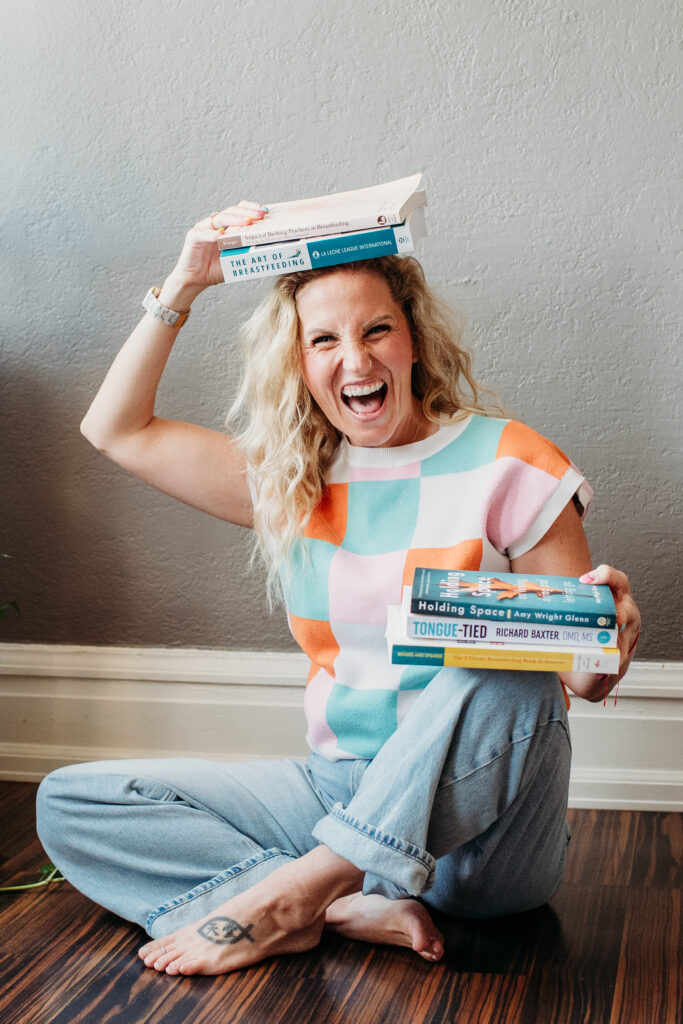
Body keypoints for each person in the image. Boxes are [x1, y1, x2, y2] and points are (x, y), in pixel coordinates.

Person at [36, 201, 641, 977]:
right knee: (73, 800)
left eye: (375, 330)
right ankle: (341, 897)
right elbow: (115, 428)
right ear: (299, 362)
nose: (354, 360)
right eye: (323, 340)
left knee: (508, 655)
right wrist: (185, 281)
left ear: (413, 341)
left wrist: (606, 631)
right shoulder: (291, 477)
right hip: (338, 789)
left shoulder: (512, 462)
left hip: (482, 840)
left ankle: (300, 894)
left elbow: (577, 682)